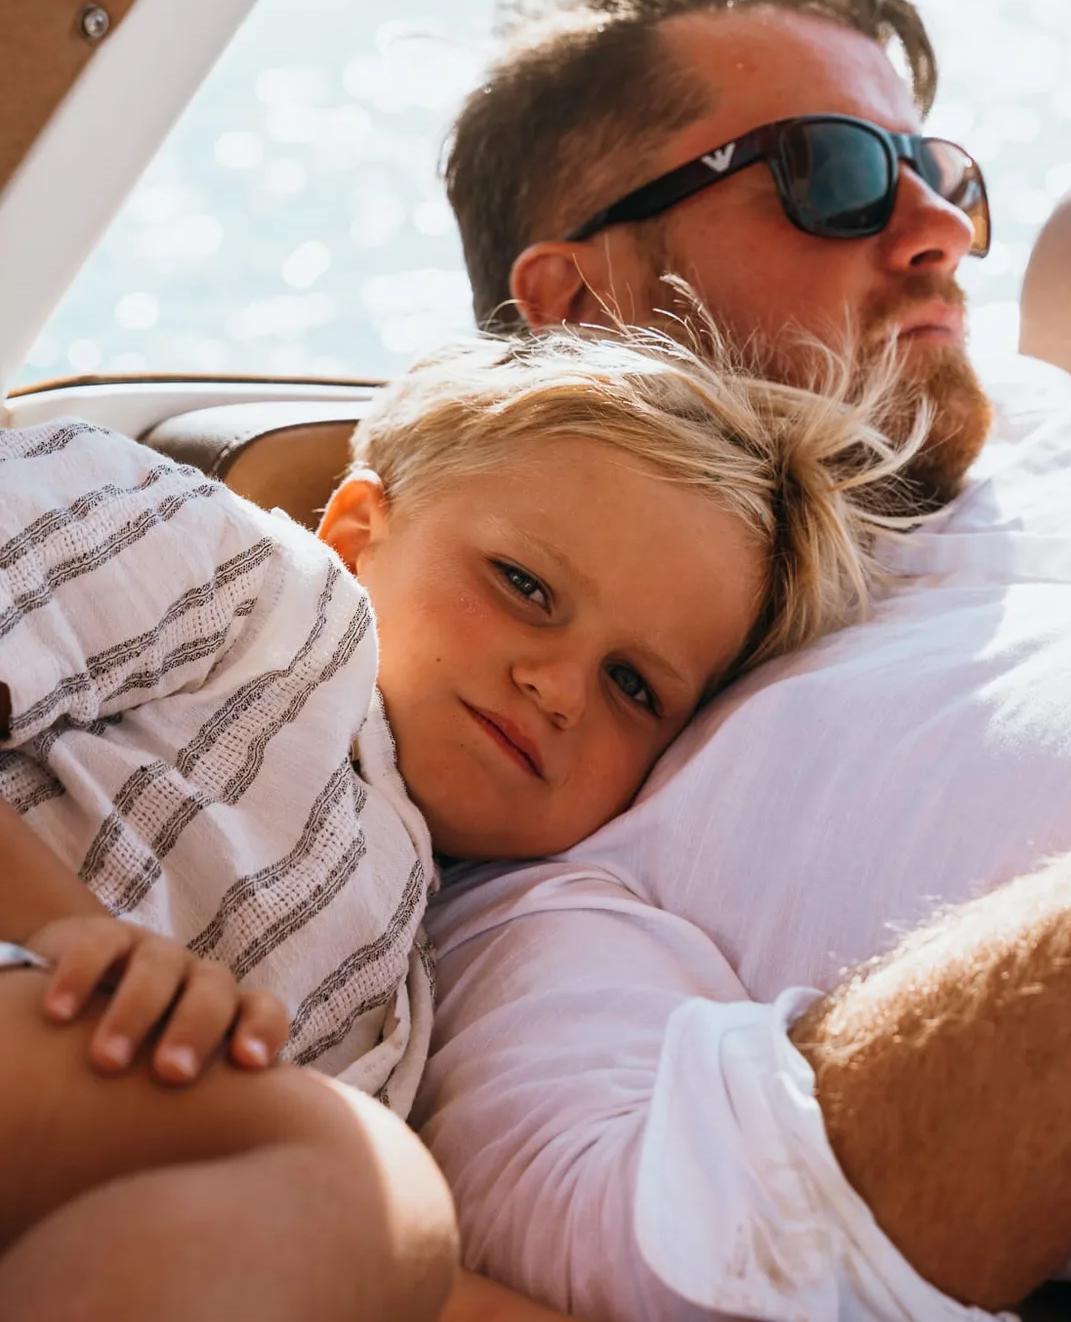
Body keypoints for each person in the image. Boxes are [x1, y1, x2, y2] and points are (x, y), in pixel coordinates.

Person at [415, 0, 1071, 1322]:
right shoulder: (565, 766)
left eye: (943, 176)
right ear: (576, 299)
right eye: (830, 173)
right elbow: (698, 1259)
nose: (939, 232)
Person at [0, 326, 903, 1322]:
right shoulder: (244, 569)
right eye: (523, 584)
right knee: (356, 1183)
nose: (559, 686)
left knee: (375, 1217)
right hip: (50, 994)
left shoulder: (406, 992)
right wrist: (70, 932)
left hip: (114, 1176)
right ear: (355, 529)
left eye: (632, 684)